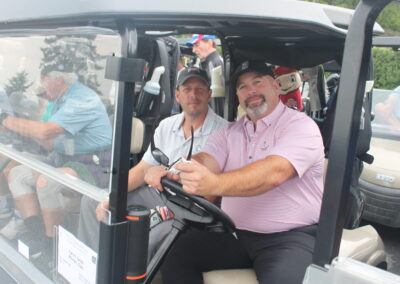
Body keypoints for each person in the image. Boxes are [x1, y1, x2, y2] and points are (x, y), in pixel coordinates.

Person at [152, 60, 325, 284]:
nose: (251, 90)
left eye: (257, 82)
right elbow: (206, 160)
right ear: (238, 95)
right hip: (236, 233)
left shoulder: (300, 126)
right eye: (243, 87)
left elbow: (274, 173)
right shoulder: (230, 132)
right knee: (174, 252)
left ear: (275, 86)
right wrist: (175, 170)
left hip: (290, 238)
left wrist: (213, 184)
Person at [78, 67, 228, 254]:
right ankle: (94, 265)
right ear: (177, 95)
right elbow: (142, 169)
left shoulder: (224, 132)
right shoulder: (166, 125)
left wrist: (170, 212)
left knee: (149, 236)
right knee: (91, 201)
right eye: (187, 89)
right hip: (158, 194)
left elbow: (213, 193)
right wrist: (112, 196)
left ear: (209, 94)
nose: (193, 95)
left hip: (193, 205)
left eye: (199, 89)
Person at [0, 66, 112, 259]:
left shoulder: (83, 100)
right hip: (63, 158)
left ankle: (52, 244)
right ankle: (35, 234)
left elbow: (45, 132)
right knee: (16, 174)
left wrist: (5, 119)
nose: (42, 88)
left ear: (58, 79)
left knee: (46, 182)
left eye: (44, 82)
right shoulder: (61, 100)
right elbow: (49, 141)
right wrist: (26, 131)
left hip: (93, 164)